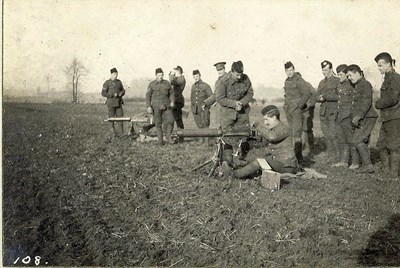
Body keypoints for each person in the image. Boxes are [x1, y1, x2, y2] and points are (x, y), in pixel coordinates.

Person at [222, 105, 298, 178]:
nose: (265, 123)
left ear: (274, 118)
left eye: (267, 119)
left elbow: (272, 137)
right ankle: (234, 166)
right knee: (253, 157)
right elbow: (265, 143)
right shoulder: (273, 129)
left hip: (286, 166)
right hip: (277, 161)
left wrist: (258, 125)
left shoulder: (284, 128)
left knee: (260, 162)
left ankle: (235, 174)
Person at [215, 61, 254, 166]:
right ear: (231, 71)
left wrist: (242, 103)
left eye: (240, 74)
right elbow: (220, 98)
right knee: (227, 137)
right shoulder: (223, 81)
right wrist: (234, 104)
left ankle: (242, 160)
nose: (239, 77)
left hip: (242, 113)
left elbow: (250, 93)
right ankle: (228, 161)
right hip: (228, 114)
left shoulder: (245, 78)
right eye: (237, 74)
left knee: (244, 136)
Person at [346, 64, 378, 173]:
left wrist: (358, 116)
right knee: (360, 140)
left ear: (357, 73)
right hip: (362, 118)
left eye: (350, 75)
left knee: (358, 140)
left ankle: (368, 166)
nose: (349, 78)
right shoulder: (357, 85)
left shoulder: (365, 84)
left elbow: (366, 102)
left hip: (367, 117)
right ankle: (362, 163)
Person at [374, 52, 400, 178]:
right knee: (381, 144)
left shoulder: (395, 78)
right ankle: (385, 169)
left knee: (394, 145)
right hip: (386, 117)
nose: (379, 68)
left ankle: (394, 172)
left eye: (380, 66)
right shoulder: (387, 78)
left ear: (388, 64)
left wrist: (378, 103)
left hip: (394, 117)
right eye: (378, 66)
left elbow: (393, 98)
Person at [283, 61, 312, 163]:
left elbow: (306, 93)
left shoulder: (299, 79)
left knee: (297, 132)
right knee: (292, 131)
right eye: (287, 70)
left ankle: (299, 157)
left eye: (291, 70)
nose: (289, 72)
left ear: (294, 69)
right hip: (288, 110)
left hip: (296, 110)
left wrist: (299, 106)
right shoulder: (286, 80)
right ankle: (293, 156)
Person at [332, 64, 359, 168]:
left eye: (341, 74)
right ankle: (344, 161)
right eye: (338, 74)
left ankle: (355, 162)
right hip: (340, 115)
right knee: (342, 139)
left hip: (348, 116)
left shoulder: (351, 85)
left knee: (351, 140)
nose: (339, 76)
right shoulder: (339, 85)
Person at [315, 60, 340, 162]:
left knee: (334, 135)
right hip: (323, 112)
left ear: (331, 69)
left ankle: (338, 157)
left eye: (326, 70)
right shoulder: (321, 82)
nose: (324, 72)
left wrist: (325, 97)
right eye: (323, 70)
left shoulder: (337, 81)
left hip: (333, 112)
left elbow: (339, 96)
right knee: (327, 135)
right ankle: (330, 156)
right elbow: (316, 96)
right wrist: (319, 98)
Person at [146, 68, 175, 145]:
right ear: (156, 75)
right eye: (159, 75)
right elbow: (148, 96)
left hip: (167, 106)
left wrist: (172, 101)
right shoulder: (151, 84)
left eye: (162, 75)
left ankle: (168, 137)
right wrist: (148, 106)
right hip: (156, 107)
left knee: (171, 121)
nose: (160, 77)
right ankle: (160, 141)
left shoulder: (167, 83)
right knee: (158, 124)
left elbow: (171, 93)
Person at [190, 69, 214, 143]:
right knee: (199, 125)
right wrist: (192, 107)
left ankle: (207, 141)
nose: (196, 78)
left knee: (205, 124)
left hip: (204, 109)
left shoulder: (205, 86)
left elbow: (211, 97)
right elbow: (192, 98)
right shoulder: (193, 86)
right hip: (196, 109)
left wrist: (207, 106)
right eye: (194, 76)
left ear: (200, 76)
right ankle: (201, 140)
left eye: (197, 76)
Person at [101, 67, 125, 137]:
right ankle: (112, 134)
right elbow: (103, 93)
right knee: (111, 119)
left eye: (116, 74)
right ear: (111, 74)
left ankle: (121, 134)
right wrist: (111, 95)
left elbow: (123, 90)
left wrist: (121, 93)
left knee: (120, 118)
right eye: (114, 74)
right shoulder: (107, 83)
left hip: (119, 104)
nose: (116, 76)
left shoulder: (119, 82)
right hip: (111, 104)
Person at [169, 65, 186, 142]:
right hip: (175, 100)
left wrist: (171, 75)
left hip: (178, 101)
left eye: (175, 71)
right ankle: (179, 136)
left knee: (178, 119)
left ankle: (181, 136)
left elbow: (172, 82)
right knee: (177, 119)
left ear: (178, 71)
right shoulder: (178, 78)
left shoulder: (181, 78)